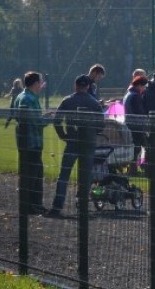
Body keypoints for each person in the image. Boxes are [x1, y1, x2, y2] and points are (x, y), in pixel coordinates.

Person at [46, 75, 105, 217]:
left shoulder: (67, 101)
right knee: (86, 176)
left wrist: (63, 135)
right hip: (88, 143)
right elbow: (101, 125)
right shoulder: (94, 103)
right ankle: (83, 205)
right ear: (88, 87)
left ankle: (57, 206)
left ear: (75, 85)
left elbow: (57, 121)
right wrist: (92, 133)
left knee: (64, 175)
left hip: (72, 141)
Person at [13, 71, 51, 215]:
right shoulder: (28, 99)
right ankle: (30, 206)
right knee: (32, 175)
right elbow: (36, 121)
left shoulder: (22, 97)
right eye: (40, 82)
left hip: (28, 142)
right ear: (35, 83)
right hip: (31, 143)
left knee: (34, 173)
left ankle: (34, 205)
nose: (42, 84)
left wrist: (43, 117)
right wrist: (50, 119)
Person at [123, 75, 149, 174]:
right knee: (146, 146)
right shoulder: (136, 96)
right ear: (139, 85)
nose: (144, 89)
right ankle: (145, 169)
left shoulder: (128, 94)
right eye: (144, 86)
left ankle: (133, 169)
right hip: (137, 125)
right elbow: (139, 112)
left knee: (135, 147)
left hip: (130, 123)